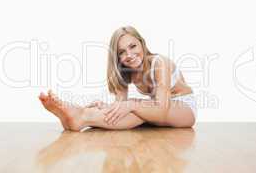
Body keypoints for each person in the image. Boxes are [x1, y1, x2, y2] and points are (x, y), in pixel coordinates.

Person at [38, 26, 197, 131]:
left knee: (136, 106)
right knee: (133, 111)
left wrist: (132, 104)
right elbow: (120, 107)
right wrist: (104, 107)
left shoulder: (159, 64)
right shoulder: (126, 71)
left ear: (142, 43)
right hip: (159, 107)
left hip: (183, 107)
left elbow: (161, 110)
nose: (129, 55)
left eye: (133, 46)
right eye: (122, 52)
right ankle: (82, 117)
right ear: (117, 57)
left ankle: (83, 116)